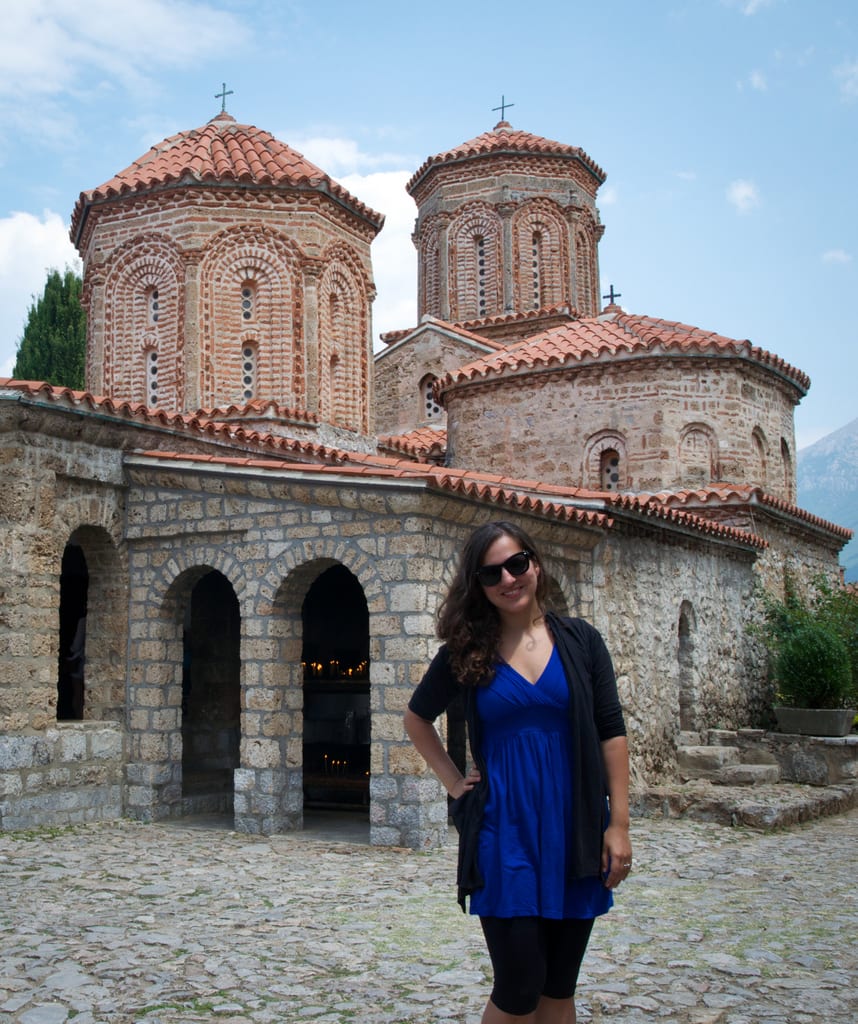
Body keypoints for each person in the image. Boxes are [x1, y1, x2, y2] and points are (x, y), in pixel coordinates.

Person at [404, 521, 632, 1024]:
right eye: (491, 574)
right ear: (478, 587)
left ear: (535, 563)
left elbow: (610, 732)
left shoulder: (582, 642)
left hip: (575, 829)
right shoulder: (467, 653)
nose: (508, 578)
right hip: (504, 833)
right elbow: (417, 718)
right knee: (518, 986)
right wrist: (454, 783)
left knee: (558, 988)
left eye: (516, 563)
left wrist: (618, 825)